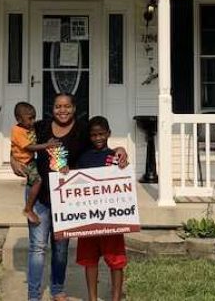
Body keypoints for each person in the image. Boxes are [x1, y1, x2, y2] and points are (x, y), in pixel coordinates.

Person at [26, 93, 129, 301]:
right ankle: (33, 295)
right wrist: (13, 160)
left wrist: (120, 148)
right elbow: (20, 144)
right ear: (52, 108)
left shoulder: (82, 130)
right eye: (57, 106)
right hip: (40, 195)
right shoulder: (40, 127)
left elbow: (100, 149)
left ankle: (57, 289)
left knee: (61, 249)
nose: (62, 110)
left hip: (67, 200)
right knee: (37, 247)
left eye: (66, 106)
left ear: (74, 108)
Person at [74, 116, 128, 301]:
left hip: (111, 218)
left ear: (109, 134)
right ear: (89, 136)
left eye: (101, 134)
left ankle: (116, 298)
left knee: (116, 261)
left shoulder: (115, 157)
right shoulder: (83, 158)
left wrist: (122, 155)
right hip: (88, 218)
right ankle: (92, 298)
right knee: (89, 261)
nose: (97, 138)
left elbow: (123, 179)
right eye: (94, 135)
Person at [8, 102, 59, 225]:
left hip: (30, 160)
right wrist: (47, 145)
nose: (32, 121)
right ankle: (28, 209)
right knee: (37, 181)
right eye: (29, 119)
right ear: (19, 119)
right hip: (24, 162)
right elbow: (29, 147)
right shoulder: (17, 130)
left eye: (34, 118)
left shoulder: (30, 127)